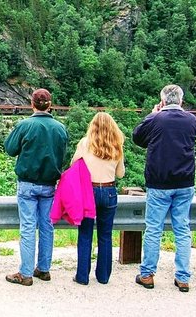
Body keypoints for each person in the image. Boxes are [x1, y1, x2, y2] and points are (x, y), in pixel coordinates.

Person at [133, 84, 196, 292]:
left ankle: (147, 274)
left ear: (162, 101)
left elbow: (137, 137)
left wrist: (152, 114)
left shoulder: (156, 119)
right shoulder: (192, 121)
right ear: (181, 100)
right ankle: (183, 277)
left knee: (153, 229)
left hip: (159, 182)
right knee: (182, 229)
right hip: (185, 182)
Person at [4, 88, 68, 286]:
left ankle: (25, 273)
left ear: (32, 104)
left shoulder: (25, 125)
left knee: (28, 227)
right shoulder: (60, 128)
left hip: (27, 184)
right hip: (49, 185)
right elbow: (63, 155)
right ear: (50, 105)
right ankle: (44, 268)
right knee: (47, 227)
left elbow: (10, 148)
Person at [72, 112, 125, 285]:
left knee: (85, 234)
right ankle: (103, 276)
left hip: (89, 191)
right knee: (105, 235)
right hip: (109, 191)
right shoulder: (116, 145)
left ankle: (82, 276)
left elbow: (74, 165)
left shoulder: (85, 143)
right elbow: (121, 174)